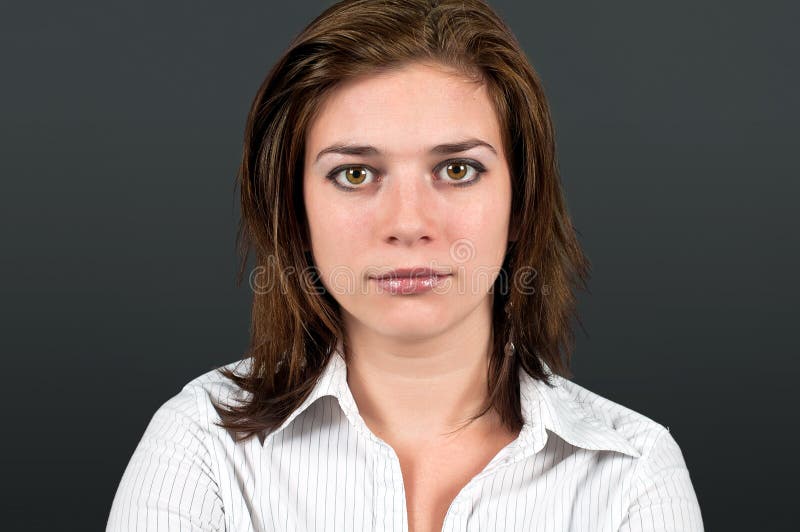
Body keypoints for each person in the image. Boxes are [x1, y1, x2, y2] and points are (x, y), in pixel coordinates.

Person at [107, 0, 703, 530]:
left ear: (522, 202)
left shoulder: (632, 477)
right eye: (356, 174)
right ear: (296, 210)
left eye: (457, 169)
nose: (409, 223)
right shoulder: (201, 451)